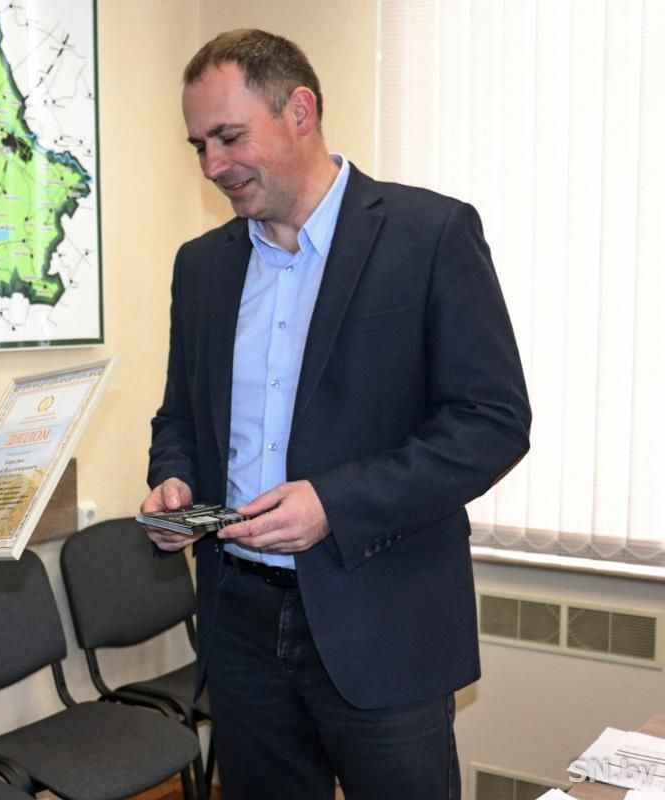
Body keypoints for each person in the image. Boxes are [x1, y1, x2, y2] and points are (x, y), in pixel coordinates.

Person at [142, 30, 531, 800]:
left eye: (229, 137)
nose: (212, 165)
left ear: (301, 111)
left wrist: (334, 503)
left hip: (382, 619)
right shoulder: (202, 266)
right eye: (199, 146)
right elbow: (179, 416)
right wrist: (173, 482)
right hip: (238, 623)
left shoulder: (430, 236)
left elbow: (491, 422)